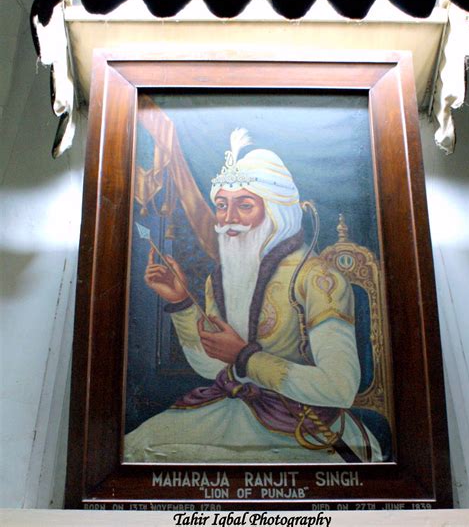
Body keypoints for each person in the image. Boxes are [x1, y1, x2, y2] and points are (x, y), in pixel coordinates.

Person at [124, 129, 382, 463]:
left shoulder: (317, 278)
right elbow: (209, 367)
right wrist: (182, 304)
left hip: (304, 428)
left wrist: (246, 357)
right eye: (221, 205)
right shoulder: (222, 275)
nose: (229, 219)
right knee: (137, 449)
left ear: (274, 212)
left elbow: (339, 387)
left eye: (244, 205)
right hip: (230, 410)